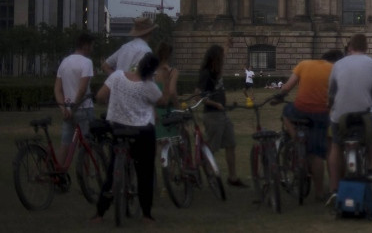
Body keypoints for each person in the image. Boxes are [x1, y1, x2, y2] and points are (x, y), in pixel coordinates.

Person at [90, 52, 177, 224]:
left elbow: (100, 96)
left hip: (118, 128)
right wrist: (167, 79)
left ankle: (100, 214)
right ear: (152, 71)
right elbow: (163, 101)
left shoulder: (116, 76)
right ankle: (146, 215)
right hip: (142, 131)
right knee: (145, 172)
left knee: (111, 172)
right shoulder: (149, 86)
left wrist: (113, 103)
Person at [326, 34, 372, 198]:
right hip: (365, 114)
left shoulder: (338, 64)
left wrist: (330, 106)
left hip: (340, 114)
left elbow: (331, 92)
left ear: (349, 48)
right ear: (366, 48)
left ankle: (334, 188)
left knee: (336, 146)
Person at [278, 48, 342, 201]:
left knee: (285, 112)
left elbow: (287, 88)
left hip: (300, 110)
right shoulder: (336, 70)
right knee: (316, 155)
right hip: (321, 114)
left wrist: (278, 97)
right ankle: (319, 192)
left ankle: (295, 138)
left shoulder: (304, 64)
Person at [197, 44, 246, 187]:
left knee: (231, 144)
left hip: (222, 114)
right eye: (221, 57)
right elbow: (198, 96)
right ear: (215, 58)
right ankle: (206, 169)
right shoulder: (206, 74)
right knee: (212, 147)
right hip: (212, 116)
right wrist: (215, 104)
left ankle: (232, 177)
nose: (224, 60)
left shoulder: (216, 73)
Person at [53, 31, 94, 166]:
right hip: (83, 108)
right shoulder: (87, 63)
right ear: (86, 46)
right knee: (87, 145)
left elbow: (57, 89)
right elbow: (82, 89)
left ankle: (59, 173)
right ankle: (86, 176)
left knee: (65, 143)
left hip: (68, 110)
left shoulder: (64, 62)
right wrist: (74, 106)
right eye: (91, 46)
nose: (92, 49)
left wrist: (64, 108)